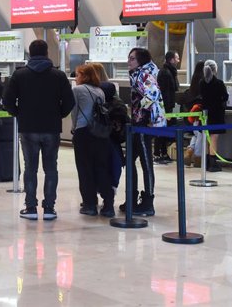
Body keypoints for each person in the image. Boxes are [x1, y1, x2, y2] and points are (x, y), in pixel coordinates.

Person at [3, 39, 75, 221]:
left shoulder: (19, 75)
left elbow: (7, 101)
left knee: (30, 168)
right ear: (47, 53)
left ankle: (31, 207)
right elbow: (69, 102)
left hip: (28, 127)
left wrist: (19, 113)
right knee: (51, 168)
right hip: (51, 127)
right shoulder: (58, 76)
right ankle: (49, 208)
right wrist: (59, 114)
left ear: (30, 53)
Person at [124, 47, 166, 217]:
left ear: (140, 60)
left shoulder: (143, 75)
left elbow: (153, 93)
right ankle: (132, 199)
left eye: (132, 58)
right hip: (137, 124)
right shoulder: (138, 74)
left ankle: (148, 202)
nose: (129, 61)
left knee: (146, 164)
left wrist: (141, 109)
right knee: (131, 161)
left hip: (143, 125)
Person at [71, 64, 114, 218]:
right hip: (100, 134)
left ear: (84, 75)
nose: (76, 78)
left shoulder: (77, 90)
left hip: (83, 132)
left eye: (77, 75)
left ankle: (89, 204)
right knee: (101, 167)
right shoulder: (100, 91)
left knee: (85, 169)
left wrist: (73, 128)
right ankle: (108, 204)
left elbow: (75, 112)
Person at [92, 62, 123, 208]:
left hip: (98, 136)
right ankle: (109, 197)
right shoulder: (113, 92)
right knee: (113, 165)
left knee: (96, 166)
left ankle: (94, 196)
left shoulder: (94, 92)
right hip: (113, 138)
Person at [200, 59, 228, 172]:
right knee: (214, 138)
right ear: (215, 70)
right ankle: (213, 163)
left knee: (207, 138)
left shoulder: (201, 82)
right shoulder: (219, 83)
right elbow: (225, 97)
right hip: (216, 114)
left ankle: (206, 162)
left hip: (205, 113)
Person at [154, 51, 180, 164]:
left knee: (164, 130)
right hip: (164, 107)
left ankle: (163, 153)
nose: (178, 61)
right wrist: (167, 109)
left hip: (168, 106)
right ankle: (158, 153)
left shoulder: (169, 72)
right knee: (161, 130)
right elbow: (165, 92)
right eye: (177, 58)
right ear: (171, 60)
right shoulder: (166, 73)